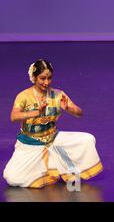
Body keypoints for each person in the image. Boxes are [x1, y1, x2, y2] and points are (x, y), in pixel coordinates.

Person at [3, 59, 103, 188]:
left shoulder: (58, 94)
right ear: (34, 77)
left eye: (49, 78)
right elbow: (13, 116)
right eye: (42, 78)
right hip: (30, 143)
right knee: (12, 178)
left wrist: (69, 108)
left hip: (53, 138)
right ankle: (50, 166)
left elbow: (80, 113)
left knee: (88, 139)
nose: (46, 82)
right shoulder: (24, 96)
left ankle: (55, 165)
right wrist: (36, 112)